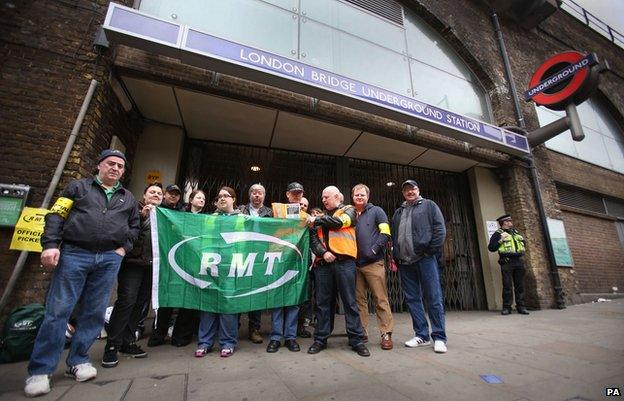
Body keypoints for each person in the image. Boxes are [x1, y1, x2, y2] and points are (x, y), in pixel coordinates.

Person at [25, 149, 140, 397]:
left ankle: (78, 360)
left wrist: (123, 249)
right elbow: (56, 216)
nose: (116, 169)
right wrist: (51, 245)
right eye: (111, 164)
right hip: (75, 254)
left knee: (94, 312)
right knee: (59, 310)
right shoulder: (77, 188)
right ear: (99, 165)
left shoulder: (128, 198)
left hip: (109, 258)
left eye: (120, 166)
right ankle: (40, 370)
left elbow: (134, 226)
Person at [102, 183, 163, 368]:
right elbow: (124, 233)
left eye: (159, 193)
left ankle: (128, 342)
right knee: (126, 301)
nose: (156, 195)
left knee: (140, 304)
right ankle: (112, 345)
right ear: (144, 195)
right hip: (132, 264)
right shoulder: (133, 210)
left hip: (151, 266)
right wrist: (143, 216)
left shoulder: (164, 216)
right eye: (152, 192)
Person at [308, 186, 370, 357]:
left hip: (345, 263)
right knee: (323, 303)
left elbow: (341, 223)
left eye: (326, 196)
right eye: (322, 197)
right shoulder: (319, 217)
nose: (323, 200)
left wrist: (317, 219)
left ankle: (356, 340)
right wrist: (323, 253)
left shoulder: (348, 210)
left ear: (338, 197)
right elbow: (313, 239)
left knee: (350, 302)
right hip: (323, 264)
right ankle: (320, 339)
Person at [391, 180, 447, 354]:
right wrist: (396, 255)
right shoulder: (398, 212)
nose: (410, 192)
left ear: (418, 190)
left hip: (425, 259)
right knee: (413, 299)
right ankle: (421, 335)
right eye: (406, 190)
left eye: (412, 188)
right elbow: (394, 236)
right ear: (403, 193)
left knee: (433, 297)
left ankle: (439, 337)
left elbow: (440, 230)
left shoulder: (429, 206)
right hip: (405, 262)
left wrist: (429, 251)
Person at [148, 184, 198, 348]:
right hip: (165, 260)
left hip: (184, 259)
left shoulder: (183, 212)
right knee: (166, 299)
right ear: (165, 194)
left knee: (185, 299)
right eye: (170, 193)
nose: (173, 196)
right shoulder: (157, 210)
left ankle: (180, 336)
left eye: (177, 194)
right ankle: (159, 334)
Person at [195, 186, 241, 358]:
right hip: (210, 266)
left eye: (226, 196)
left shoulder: (242, 219)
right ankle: (204, 342)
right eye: (220, 196)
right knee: (208, 305)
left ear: (233, 199)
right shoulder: (209, 219)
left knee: (228, 306)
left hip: (231, 266)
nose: (222, 198)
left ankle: (228, 342)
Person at [351, 184, 394, 350]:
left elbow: (385, 232)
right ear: (352, 197)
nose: (359, 197)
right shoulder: (350, 213)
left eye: (362, 195)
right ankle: (362, 332)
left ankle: (386, 334)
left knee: (380, 299)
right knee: (358, 300)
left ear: (367, 196)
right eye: (356, 195)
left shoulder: (377, 211)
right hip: (355, 265)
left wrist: (374, 249)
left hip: (374, 263)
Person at [266, 182, 306, 353]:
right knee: (277, 299)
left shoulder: (306, 215)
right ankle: (275, 337)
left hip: (296, 259)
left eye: (299, 193)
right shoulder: (276, 210)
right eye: (293, 193)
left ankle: (290, 337)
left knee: (293, 300)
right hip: (278, 258)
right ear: (287, 194)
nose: (296, 196)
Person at [238, 183, 272, 344]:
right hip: (241, 254)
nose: (257, 195)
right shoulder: (239, 210)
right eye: (254, 193)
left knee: (256, 293)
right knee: (238, 290)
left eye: (260, 193)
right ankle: (233, 327)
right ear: (250, 195)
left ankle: (255, 329)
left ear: (264, 196)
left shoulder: (270, 213)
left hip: (260, 256)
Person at [488, 214, 529, 316]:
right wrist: (500, 240)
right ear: (505, 222)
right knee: (507, 286)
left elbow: (522, 244)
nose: (511, 222)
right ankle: (507, 307)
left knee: (520, 285)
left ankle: (521, 306)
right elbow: (491, 248)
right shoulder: (498, 234)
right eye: (509, 221)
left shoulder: (515, 232)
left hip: (518, 261)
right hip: (507, 262)